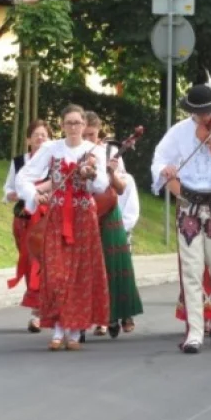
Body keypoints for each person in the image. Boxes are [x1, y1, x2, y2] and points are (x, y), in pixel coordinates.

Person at [151, 74, 211, 354]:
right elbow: (159, 158)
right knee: (191, 270)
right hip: (189, 204)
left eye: (209, 111)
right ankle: (194, 331)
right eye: (199, 112)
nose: (205, 117)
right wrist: (165, 170)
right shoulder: (179, 131)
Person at [15, 105, 110, 351]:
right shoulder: (51, 148)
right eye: (69, 123)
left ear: (84, 125)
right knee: (56, 274)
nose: (73, 127)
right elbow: (23, 177)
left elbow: (102, 185)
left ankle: (75, 332)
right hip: (57, 216)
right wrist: (34, 195)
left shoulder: (94, 150)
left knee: (79, 275)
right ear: (61, 125)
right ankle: (58, 329)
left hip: (83, 217)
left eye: (77, 123)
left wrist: (91, 174)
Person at [83, 112, 143, 338]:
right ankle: (97, 316)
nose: (88, 139)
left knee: (115, 265)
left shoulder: (109, 152)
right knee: (91, 267)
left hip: (108, 213)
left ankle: (119, 312)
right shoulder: (75, 151)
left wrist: (110, 171)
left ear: (99, 132)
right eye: (84, 135)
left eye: (91, 134)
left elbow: (121, 187)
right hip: (85, 212)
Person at [3, 119, 52, 333]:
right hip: (23, 220)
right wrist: (12, 194)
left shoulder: (54, 162)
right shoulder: (18, 162)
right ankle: (39, 308)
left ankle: (38, 312)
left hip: (46, 219)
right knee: (28, 261)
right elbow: (8, 188)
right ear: (28, 140)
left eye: (44, 135)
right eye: (36, 135)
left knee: (41, 263)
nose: (40, 138)